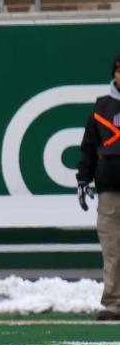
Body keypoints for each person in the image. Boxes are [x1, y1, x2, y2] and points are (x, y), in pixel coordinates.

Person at [75, 54, 120, 321]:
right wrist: (83, 180)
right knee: (113, 250)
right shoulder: (100, 109)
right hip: (109, 192)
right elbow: (88, 149)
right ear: (114, 74)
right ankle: (115, 304)